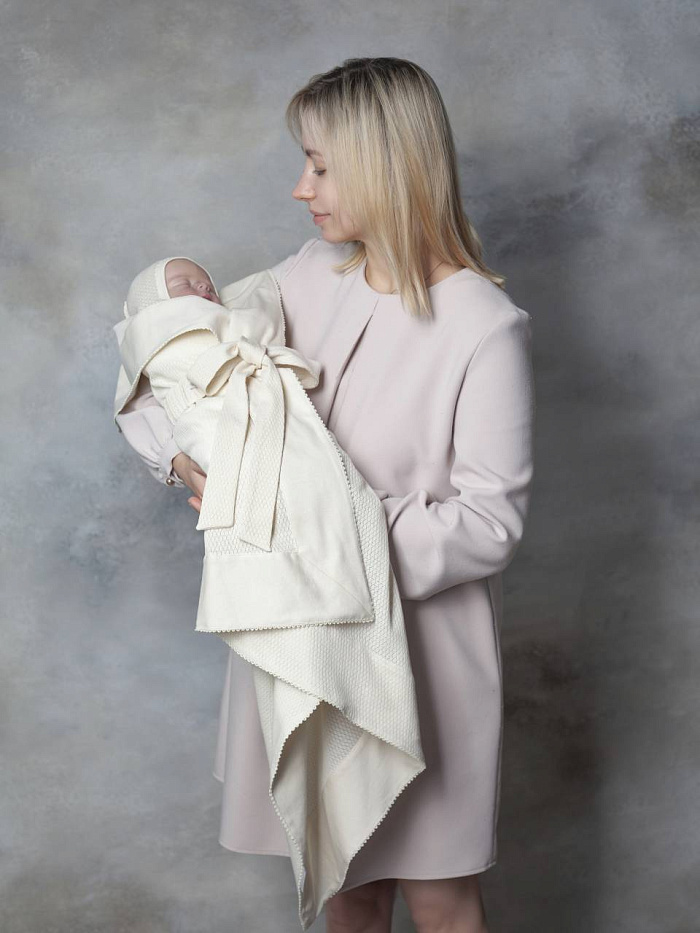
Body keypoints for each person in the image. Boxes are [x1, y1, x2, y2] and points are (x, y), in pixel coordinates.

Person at [116, 57, 535, 933]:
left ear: (385, 166)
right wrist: (187, 466)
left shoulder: (483, 327)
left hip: (423, 662)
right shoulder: (304, 278)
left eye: (319, 164)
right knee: (346, 894)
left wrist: (324, 529)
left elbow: (490, 523)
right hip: (299, 645)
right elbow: (166, 359)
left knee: (442, 900)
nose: (299, 187)